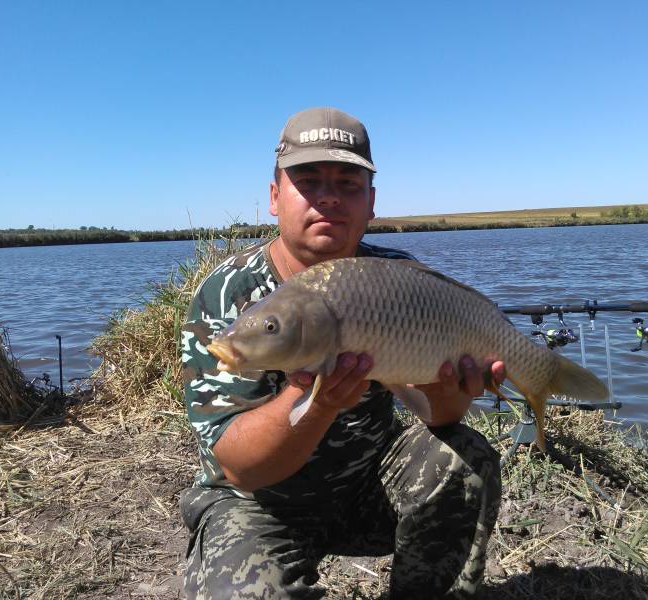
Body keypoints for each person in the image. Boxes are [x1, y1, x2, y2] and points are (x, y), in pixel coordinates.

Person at [179, 107, 504, 599]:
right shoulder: (227, 296)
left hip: (366, 484)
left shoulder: (396, 278)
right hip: (259, 503)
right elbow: (240, 467)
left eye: (348, 184)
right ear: (274, 197)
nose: (328, 196)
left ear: (370, 202)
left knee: (465, 457)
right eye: (307, 180)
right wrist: (315, 397)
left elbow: (437, 413)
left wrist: (453, 389)